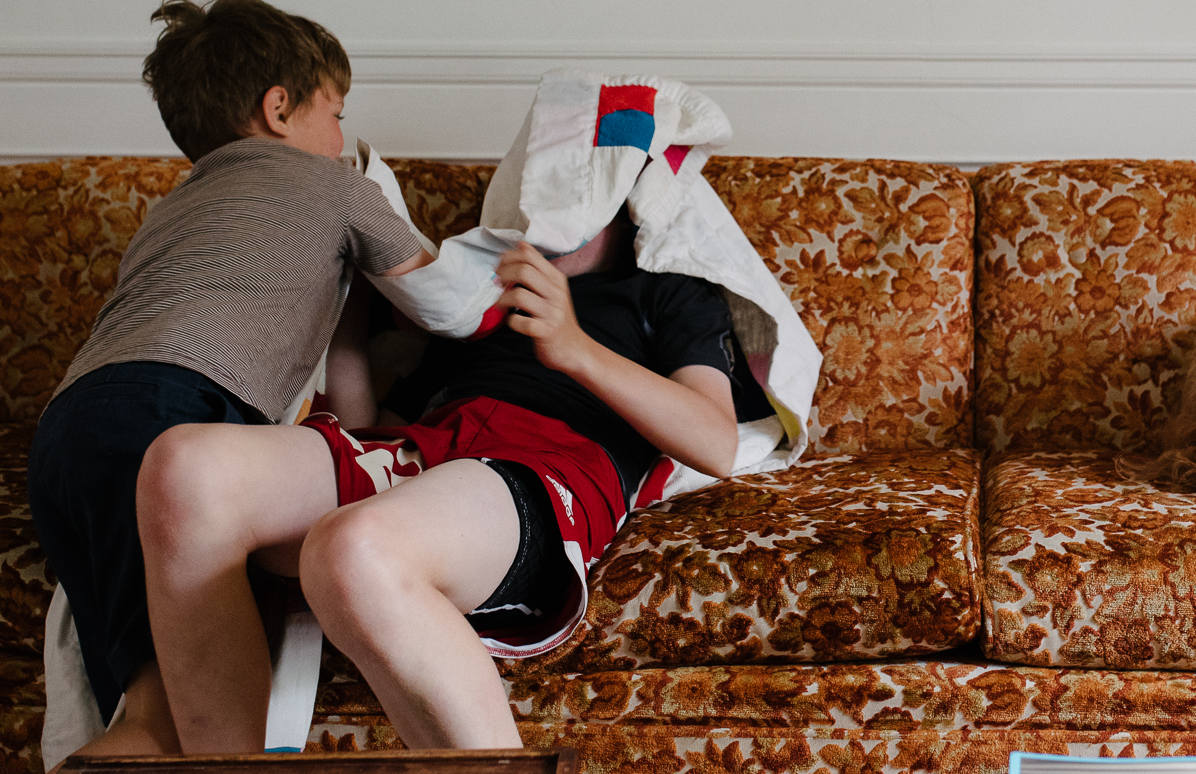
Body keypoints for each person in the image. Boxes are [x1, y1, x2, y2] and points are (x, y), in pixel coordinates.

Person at [133, 213, 754, 752]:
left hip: (547, 462)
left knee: (352, 551)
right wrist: (352, 308)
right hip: (428, 442)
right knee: (183, 467)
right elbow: (361, 429)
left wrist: (574, 347)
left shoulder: (670, 291)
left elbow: (715, 441)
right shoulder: (478, 288)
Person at [26, 0, 433, 764]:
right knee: (200, 738)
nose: (343, 135)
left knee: (148, 705)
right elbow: (436, 296)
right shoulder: (338, 184)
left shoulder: (171, 208)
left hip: (69, 429)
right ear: (280, 108)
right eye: (336, 112)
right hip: (174, 413)